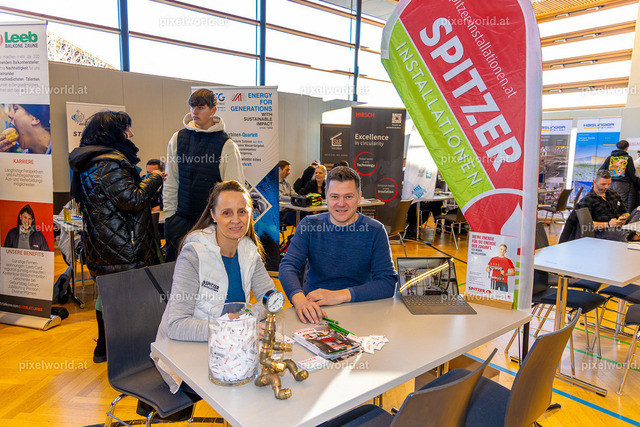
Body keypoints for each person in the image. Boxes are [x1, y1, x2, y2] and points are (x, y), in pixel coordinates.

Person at [152, 180, 273, 393]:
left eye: (242, 212)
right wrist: (234, 326)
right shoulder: (194, 253)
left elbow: (269, 299)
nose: (236, 220)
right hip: (185, 355)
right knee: (254, 389)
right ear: (213, 215)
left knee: (266, 380)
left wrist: (243, 319)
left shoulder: (248, 250)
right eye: (226, 213)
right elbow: (176, 325)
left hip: (231, 348)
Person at [69, 111, 164, 363]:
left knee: (107, 297)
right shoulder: (109, 163)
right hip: (123, 247)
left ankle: (104, 347)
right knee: (132, 301)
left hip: (102, 246)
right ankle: (129, 354)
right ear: (113, 133)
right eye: (126, 129)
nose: (130, 134)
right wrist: (154, 179)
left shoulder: (88, 161)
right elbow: (132, 200)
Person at [279, 166, 398, 323]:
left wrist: (340, 295)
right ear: (326, 197)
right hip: (315, 309)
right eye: (335, 196)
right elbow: (288, 266)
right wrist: (299, 300)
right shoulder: (309, 225)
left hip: (360, 307)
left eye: (348, 196)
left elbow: (387, 283)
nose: (341, 204)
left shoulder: (375, 230)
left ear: (359, 198)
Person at [163, 88, 245, 262]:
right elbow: (171, 180)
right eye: (192, 107)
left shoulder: (227, 145)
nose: (195, 112)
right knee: (176, 271)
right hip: (179, 222)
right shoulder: (177, 138)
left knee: (209, 273)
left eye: (200, 107)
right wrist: (170, 216)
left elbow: (234, 192)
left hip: (211, 225)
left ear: (213, 110)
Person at [573, 170, 640, 242]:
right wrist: (609, 224)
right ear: (595, 182)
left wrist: (622, 218)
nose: (606, 187)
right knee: (631, 235)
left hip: (620, 226)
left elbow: (626, 213)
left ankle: (632, 233)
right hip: (602, 230)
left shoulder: (613, 194)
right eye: (603, 184)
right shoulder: (587, 200)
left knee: (639, 209)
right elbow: (587, 224)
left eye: (609, 184)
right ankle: (632, 235)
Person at [599, 140, 640, 212]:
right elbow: (631, 173)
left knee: (609, 201)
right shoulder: (628, 158)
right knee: (622, 203)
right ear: (626, 148)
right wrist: (635, 182)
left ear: (617, 147)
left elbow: (601, 170)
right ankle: (620, 217)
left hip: (610, 183)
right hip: (623, 184)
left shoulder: (610, 158)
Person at [278, 160, 297, 226]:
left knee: (308, 216)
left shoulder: (287, 183)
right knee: (298, 219)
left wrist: (301, 198)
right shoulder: (273, 184)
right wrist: (293, 199)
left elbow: (294, 194)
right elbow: (280, 197)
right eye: (287, 170)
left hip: (290, 210)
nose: (289, 173)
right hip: (280, 213)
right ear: (279, 169)